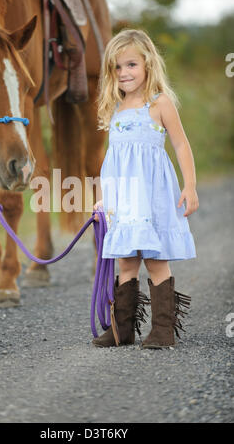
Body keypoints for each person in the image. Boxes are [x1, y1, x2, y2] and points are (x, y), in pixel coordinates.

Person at [92, 29, 199, 349]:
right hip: (124, 198)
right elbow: (111, 161)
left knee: (154, 259)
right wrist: (102, 200)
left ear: (148, 64)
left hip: (153, 196)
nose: (124, 73)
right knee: (125, 260)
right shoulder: (115, 109)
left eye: (131, 65)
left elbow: (181, 144)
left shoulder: (160, 103)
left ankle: (163, 330)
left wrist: (190, 185)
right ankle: (121, 329)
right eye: (117, 67)